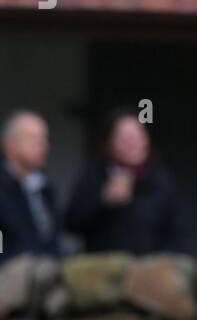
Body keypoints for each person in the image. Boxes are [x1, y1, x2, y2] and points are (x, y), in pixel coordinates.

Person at [65, 108, 190, 256]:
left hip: (150, 270)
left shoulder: (159, 180)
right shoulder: (96, 175)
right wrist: (103, 202)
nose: (133, 143)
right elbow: (71, 223)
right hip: (105, 270)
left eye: (138, 136)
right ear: (109, 142)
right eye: (124, 138)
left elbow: (178, 231)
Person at [0, 110, 63, 262]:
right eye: (32, 138)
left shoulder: (44, 187)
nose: (42, 145)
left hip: (45, 276)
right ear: (9, 145)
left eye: (44, 138)